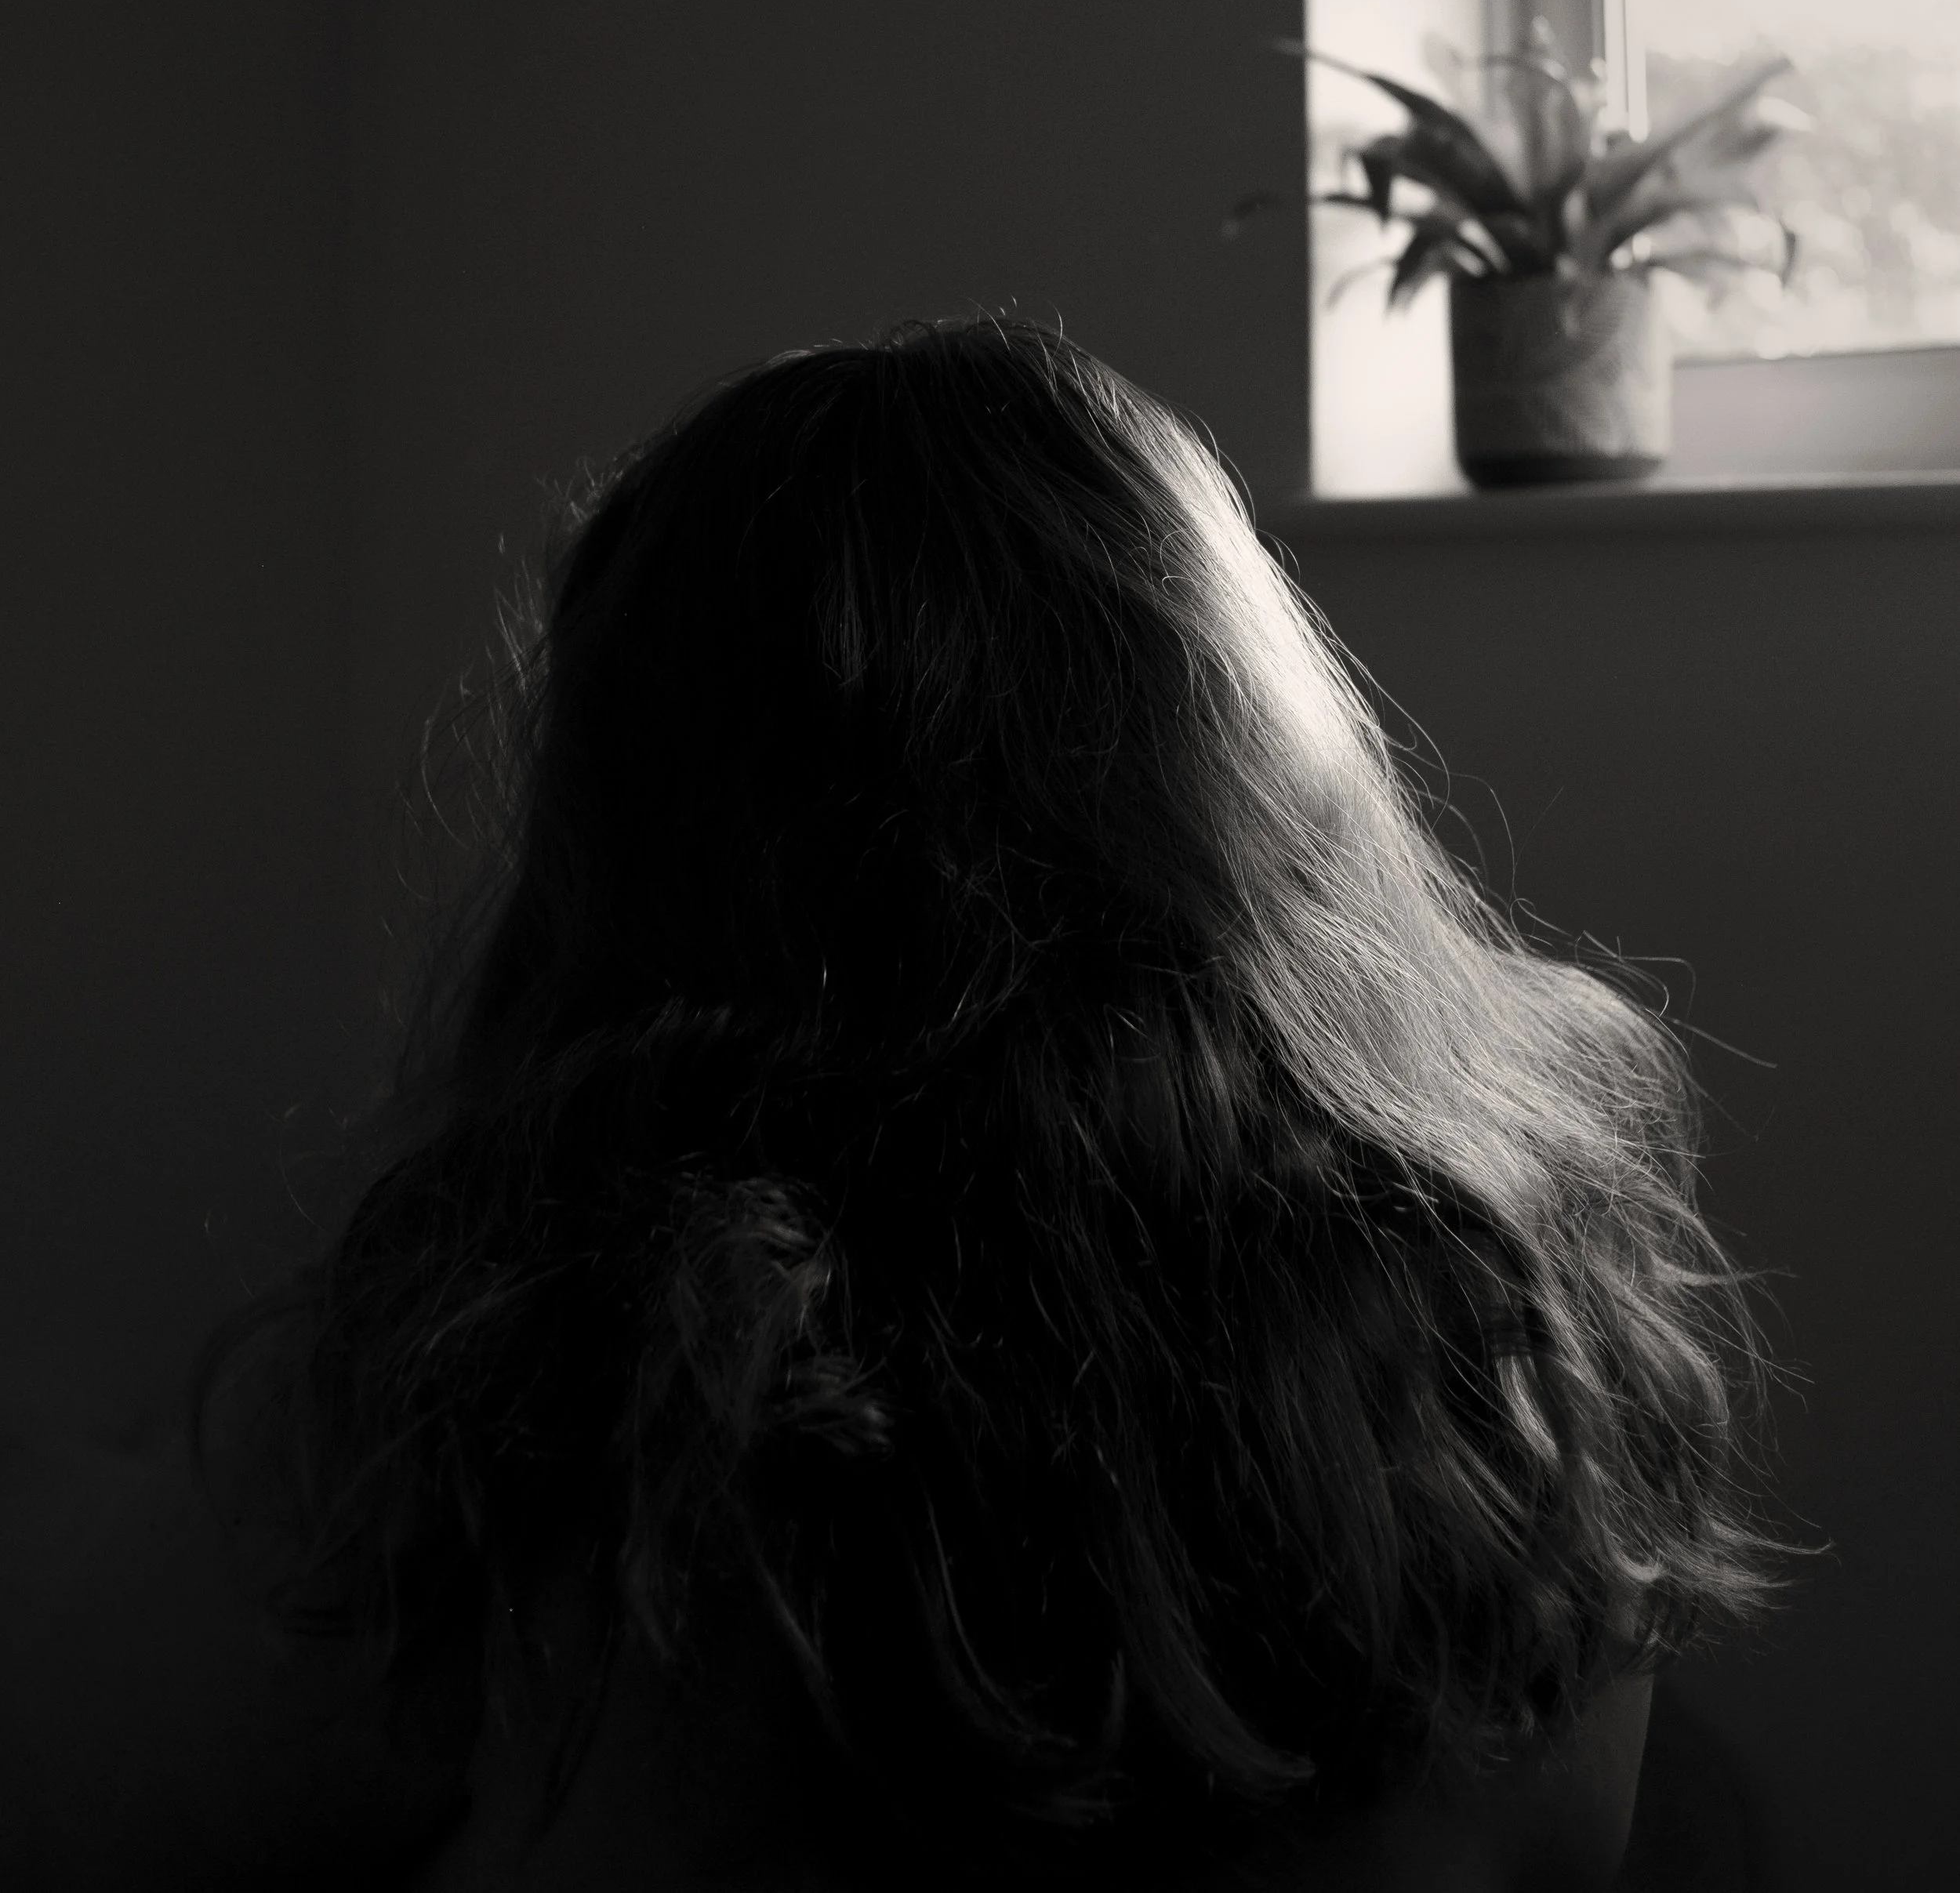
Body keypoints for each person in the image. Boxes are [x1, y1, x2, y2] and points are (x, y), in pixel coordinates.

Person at [0, 320, 1780, 1889]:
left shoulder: (541, 1394)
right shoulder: (1509, 1360)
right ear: (1248, 752)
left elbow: (90, 1803)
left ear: (626, 841)